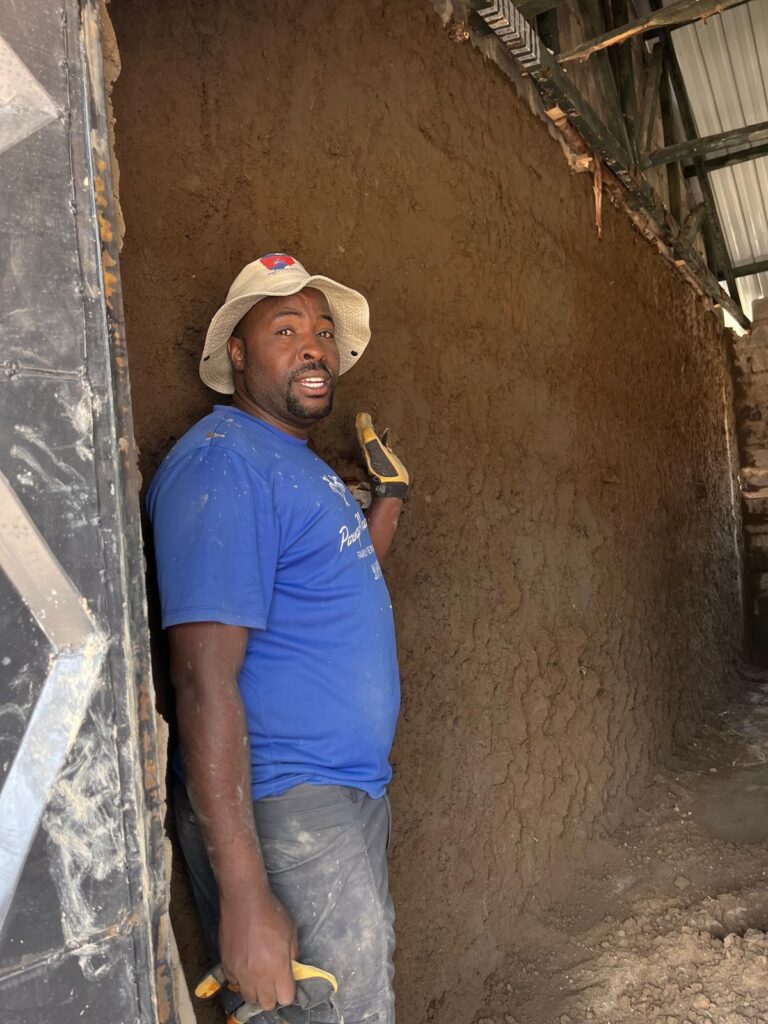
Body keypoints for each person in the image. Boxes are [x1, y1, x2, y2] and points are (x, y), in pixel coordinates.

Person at [147, 254, 409, 1024]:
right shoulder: (225, 464)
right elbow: (202, 680)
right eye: (285, 328)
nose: (315, 347)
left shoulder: (293, 466)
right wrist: (245, 893)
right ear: (237, 351)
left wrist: (388, 504)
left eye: (323, 331)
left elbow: (331, 585)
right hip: (284, 806)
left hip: (341, 793)